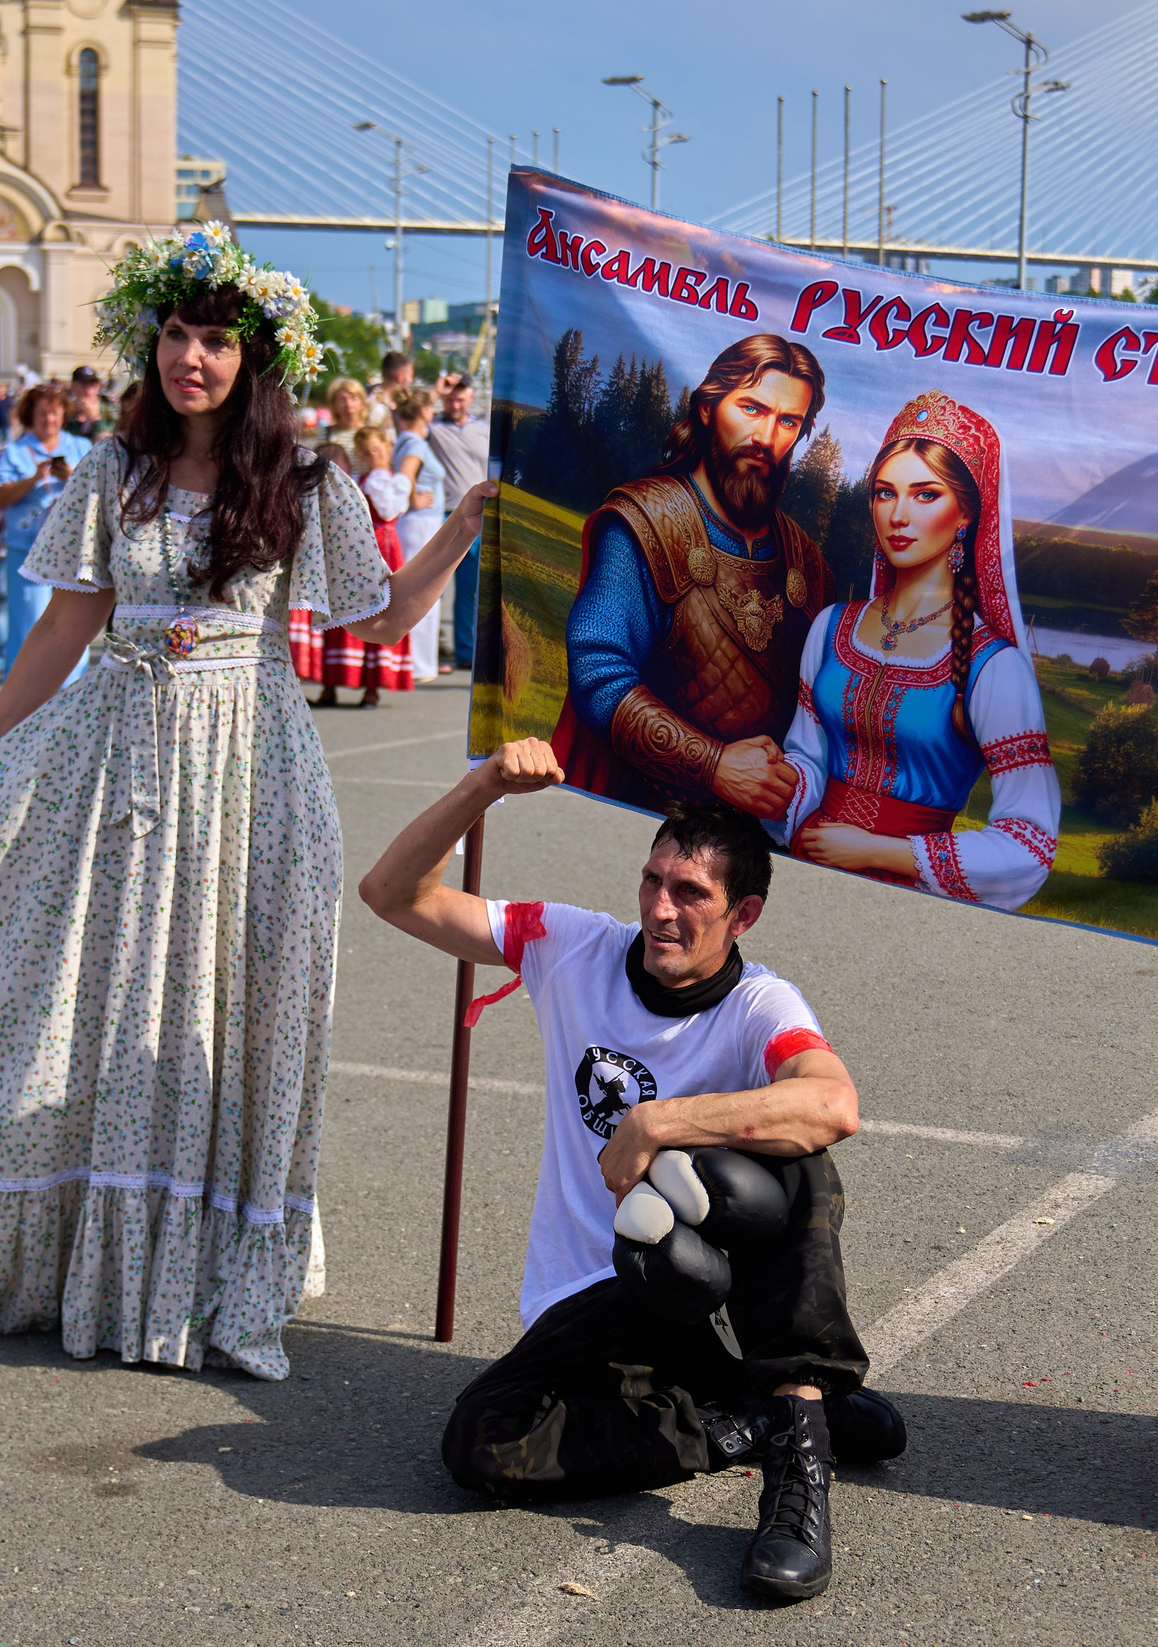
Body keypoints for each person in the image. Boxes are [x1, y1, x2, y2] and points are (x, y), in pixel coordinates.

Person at [0, 229, 488, 1380]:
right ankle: (74, 1263)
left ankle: (219, 1279)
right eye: (173, 334)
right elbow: (65, 626)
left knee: (229, 1012)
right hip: (119, 762)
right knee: (90, 1002)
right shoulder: (115, 469)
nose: (189, 356)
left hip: (250, 765)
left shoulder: (308, 480)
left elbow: (379, 621)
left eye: (214, 338)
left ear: (257, 360)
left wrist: (457, 532)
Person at [362, 739, 901, 1603]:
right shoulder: (568, 944)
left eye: (691, 893)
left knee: (803, 1169)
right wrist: (487, 784)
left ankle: (799, 1471)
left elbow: (834, 1104)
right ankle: (752, 1418)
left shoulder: (759, 1000)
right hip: (588, 1299)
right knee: (480, 1441)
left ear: (743, 915)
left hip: (697, 1286)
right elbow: (392, 894)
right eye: (653, 881)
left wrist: (660, 1121)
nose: (661, 909)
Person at [770, 391, 1059, 909]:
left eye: (925, 495)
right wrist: (774, 783)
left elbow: (1031, 843)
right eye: (885, 493)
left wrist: (876, 851)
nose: (898, 515)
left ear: (965, 515)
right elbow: (808, 760)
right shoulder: (833, 627)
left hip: (910, 901)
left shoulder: (993, 666)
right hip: (802, 871)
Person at [553, 335, 836, 815]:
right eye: (751, 408)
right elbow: (598, 673)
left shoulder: (805, 561)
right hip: (646, 812)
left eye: (788, 421)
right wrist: (715, 765)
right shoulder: (647, 522)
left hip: (762, 831)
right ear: (708, 408)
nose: (767, 438)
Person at [0, 381, 95, 675]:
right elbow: (2, 496)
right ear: (29, 416)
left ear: (64, 415)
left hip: (72, 551)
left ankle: (69, 689)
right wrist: (34, 478)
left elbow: (99, 489)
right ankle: (23, 690)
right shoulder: (14, 451)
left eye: (54, 413)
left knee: (73, 622)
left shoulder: (80, 447)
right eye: (42, 414)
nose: (49, 420)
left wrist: (71, 475)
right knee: (28, 621)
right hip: (27, 549)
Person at [309, 426, 412, 708]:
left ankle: (372, 687)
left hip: (384, 549)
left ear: (388, 448)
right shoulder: (359, 479)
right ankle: (330, 684)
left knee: (377, 610)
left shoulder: (394, 482)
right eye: (366, 453)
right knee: (343, 611)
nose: (372, 456)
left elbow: (389, 509)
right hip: (356, 546)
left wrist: (380, 472)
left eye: (376, 450)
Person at [423, 372, 491, 674]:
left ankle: (467, 650)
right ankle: (429, 647)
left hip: (478, 514)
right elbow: (406, 417)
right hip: (444, 513)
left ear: (470, 397)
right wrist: (437, 390)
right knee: (430, 586)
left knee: (469, 589)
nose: (455, 402)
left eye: (460, 396)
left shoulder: (483, 428)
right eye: (450, 397)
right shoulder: (433, 427)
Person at [389, 387, 448, 681]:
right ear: (423, 411)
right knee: (424, 591)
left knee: (424, 591)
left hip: (423, 522)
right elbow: (405, 475)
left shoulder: (409, 440)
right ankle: (417, 663)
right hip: (419, 522)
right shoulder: (414, 444)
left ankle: (418, 661)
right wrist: (413, 500)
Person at [317, 376, 378, 453]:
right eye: (342, 400)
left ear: (362, 402)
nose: (349, 405)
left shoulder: (372, 433)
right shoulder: (325, 433)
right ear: (333, 404)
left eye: (353, 399)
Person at [65, 364, 112, 441]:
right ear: (73, 386)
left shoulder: (108, 409)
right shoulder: (67, 410)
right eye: (83, 385)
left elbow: (108, 437)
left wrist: (95, 419)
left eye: (93, 385)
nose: (88, 391)